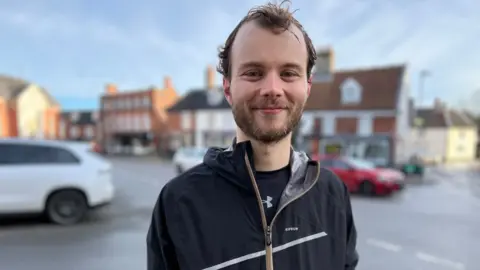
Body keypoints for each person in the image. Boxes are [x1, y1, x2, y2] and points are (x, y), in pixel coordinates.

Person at [146, 1, 359, 269]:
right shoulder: (178, 203)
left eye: (288, 73)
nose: (272, 88)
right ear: (227, 88)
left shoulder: (332, 193)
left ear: (307, 87)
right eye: (254, 73)